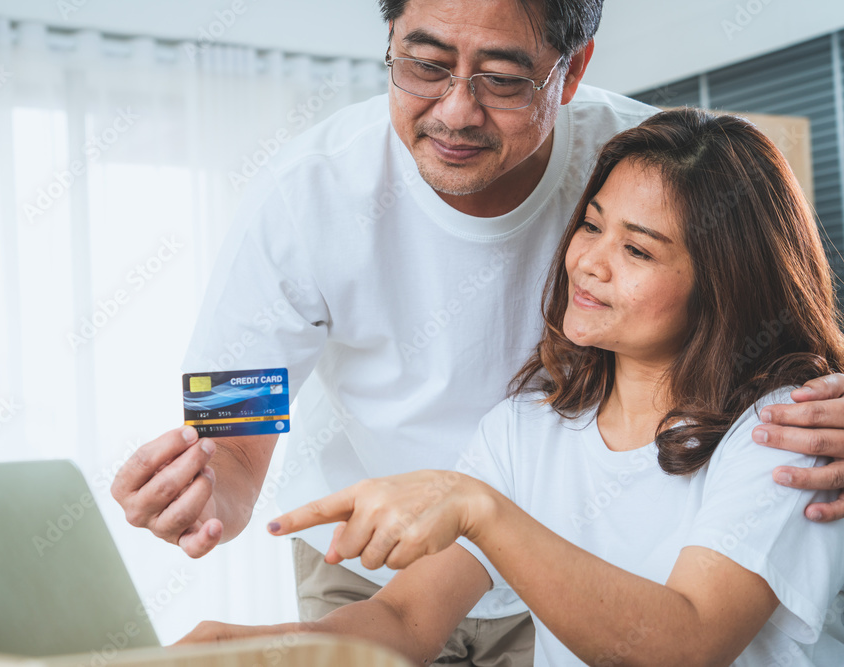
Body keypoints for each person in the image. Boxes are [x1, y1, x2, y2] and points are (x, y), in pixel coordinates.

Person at [111, 1, 844, 663]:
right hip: (376, 549)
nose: (457, 111)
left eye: (502, 79)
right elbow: (237, 438)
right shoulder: (307, 193)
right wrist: (215, 497)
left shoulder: (650, 161)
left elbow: (770, 296)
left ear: (571, 71)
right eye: (425, 66)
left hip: (543, 544)